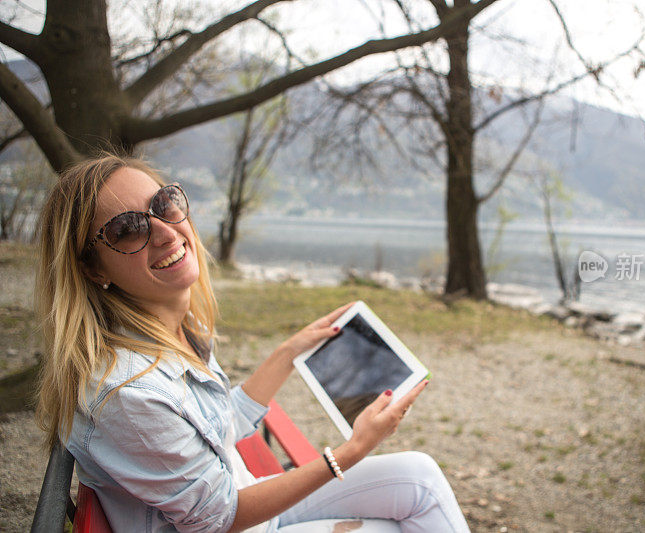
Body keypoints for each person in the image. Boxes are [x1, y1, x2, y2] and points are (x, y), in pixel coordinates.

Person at [35, 154, 470, 533]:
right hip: (237, 522)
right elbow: (216, 518)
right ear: (93, 270)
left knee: (420, 478)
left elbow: (219, 426)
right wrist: (350, 451)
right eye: (127, 229)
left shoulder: (171, 335)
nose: (165, 232)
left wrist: (288, 353)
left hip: (250, 507)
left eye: (162, 204)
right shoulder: (128, 393)